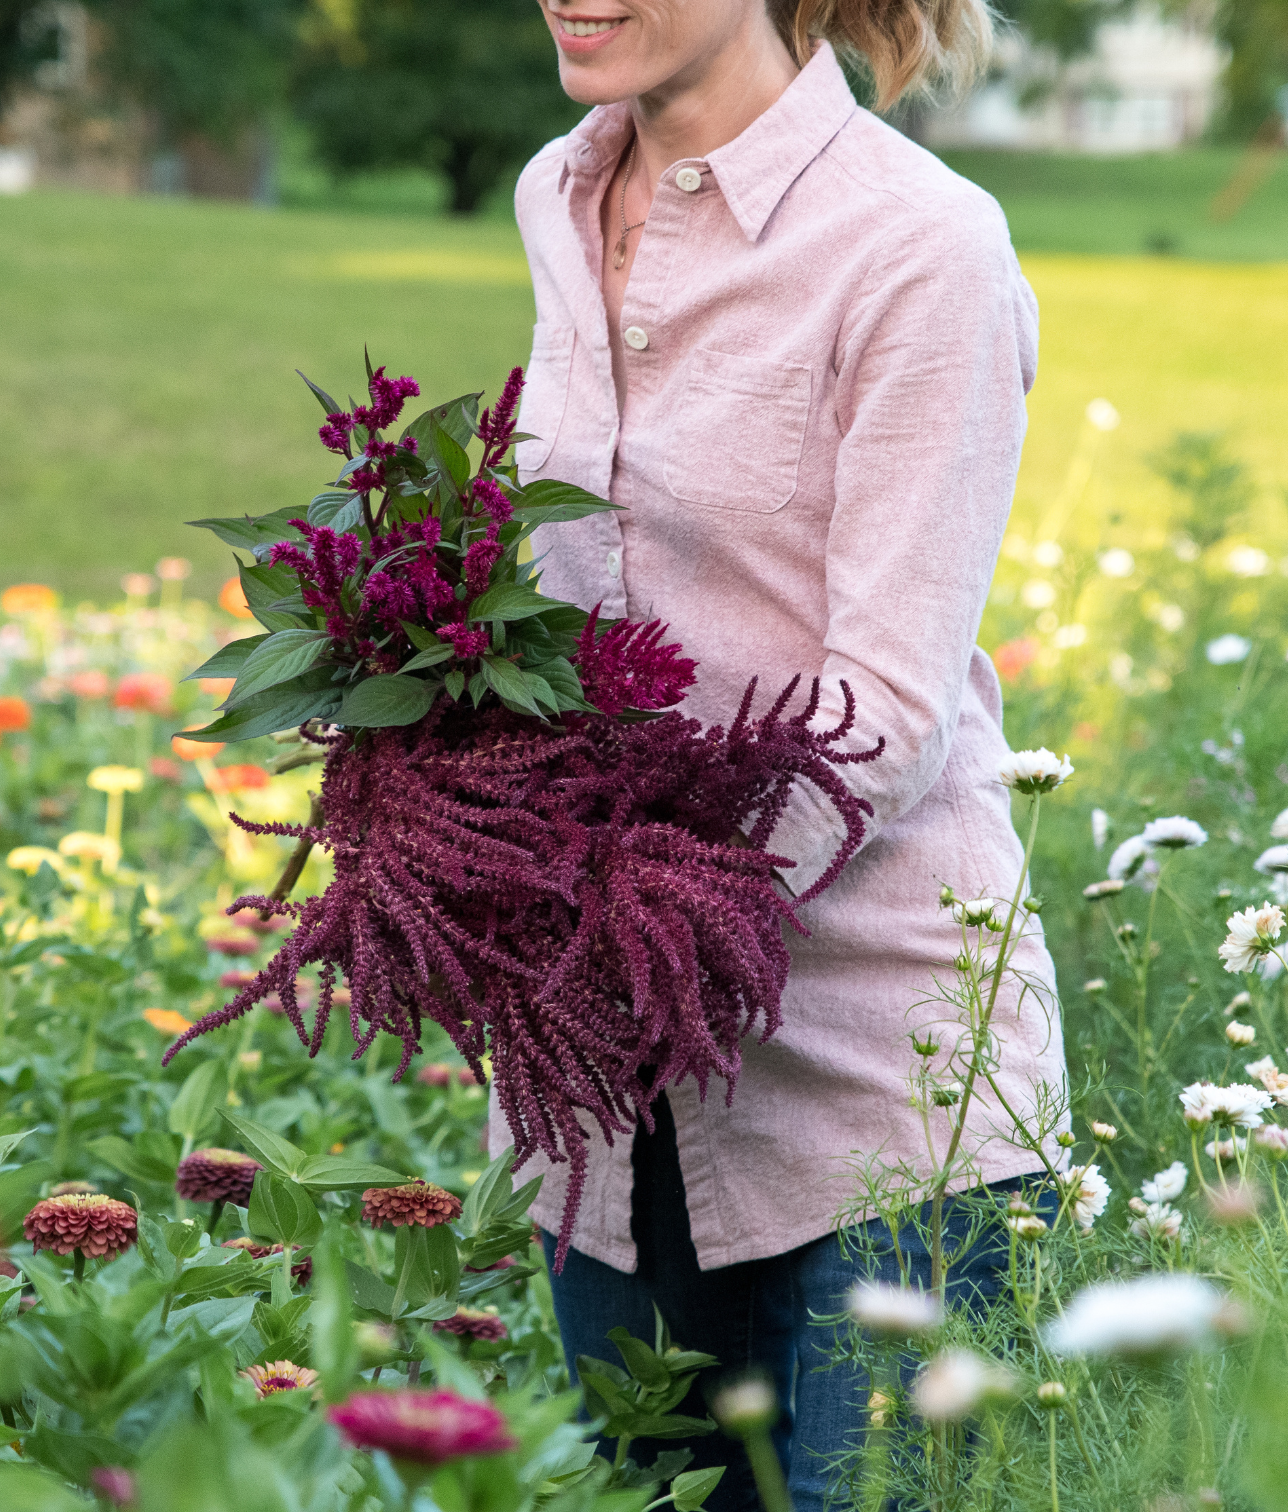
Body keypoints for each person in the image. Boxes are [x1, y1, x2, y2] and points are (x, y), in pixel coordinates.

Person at [504, 2, 1068, 1507]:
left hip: (887, 1108)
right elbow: (561, 602)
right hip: (618, 1124)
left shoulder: (921, 247)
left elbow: (881, 704)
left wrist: (651, 928)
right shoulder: (557, 198)